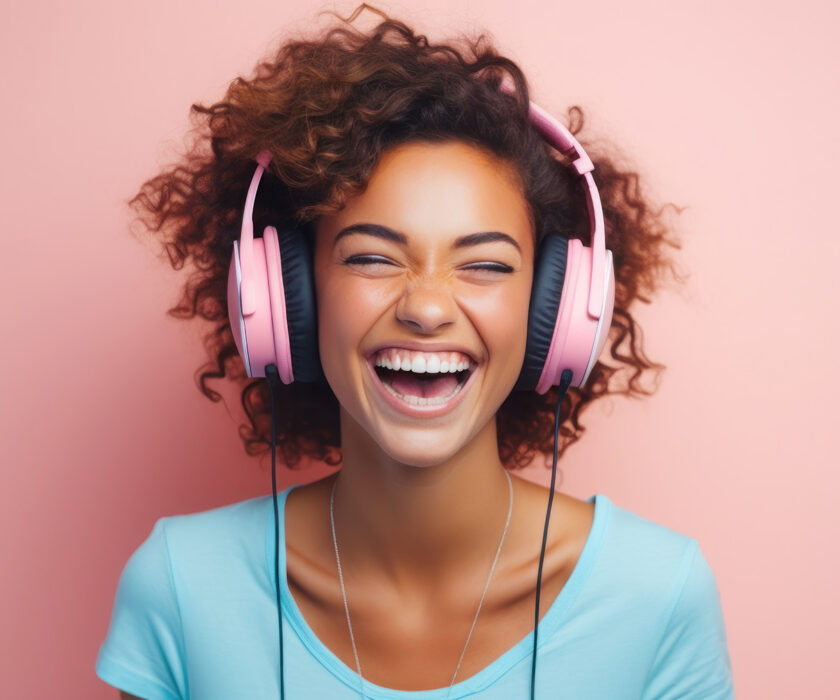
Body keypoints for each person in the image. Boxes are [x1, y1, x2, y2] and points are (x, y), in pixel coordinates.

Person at [96, 4, 734, 699]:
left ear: (555, 311)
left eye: (486, 265)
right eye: (372, 257)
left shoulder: (657, 596)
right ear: (287, 298)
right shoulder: (183, 589)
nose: (426, 308)